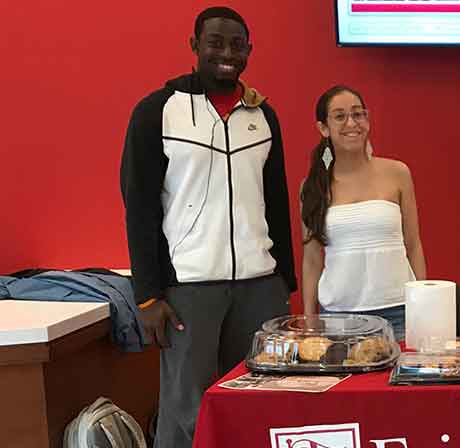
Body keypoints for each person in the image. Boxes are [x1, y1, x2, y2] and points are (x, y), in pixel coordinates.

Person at [120, 7, 296, 447]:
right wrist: (147, 294)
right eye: (216, 42)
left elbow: (275, 202)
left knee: (262, 399)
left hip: (260, 286)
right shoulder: (157, 111)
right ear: (195, 45)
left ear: (249, 51)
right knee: (186, 411)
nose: (226, 54)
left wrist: (284, 281)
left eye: (237, 45)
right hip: (190, 289)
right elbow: (138, 207)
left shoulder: (262, 116)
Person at [300, 85, 426, 341]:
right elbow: (312, 259)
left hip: (399, 312)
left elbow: (413, 244)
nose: (351, 123)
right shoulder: (313, 186)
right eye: (339, 116)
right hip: (337, 316)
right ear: (323, 128)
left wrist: (421, 305)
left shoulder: (398, 173)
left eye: (358, 114)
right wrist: (310, 319)